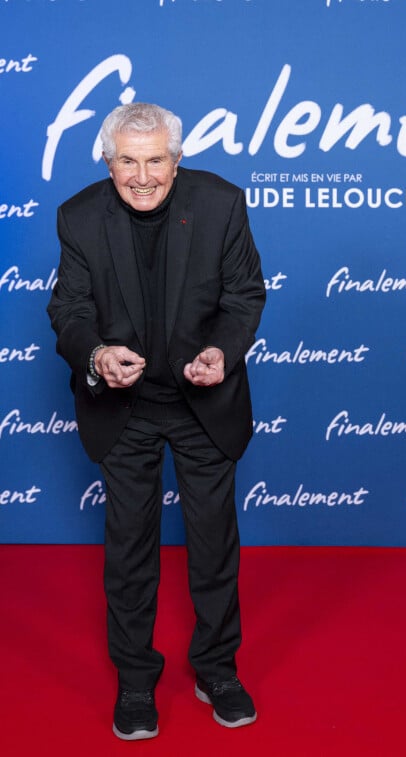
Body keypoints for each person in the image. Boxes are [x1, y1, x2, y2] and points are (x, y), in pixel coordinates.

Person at [47, 102, 266, 740]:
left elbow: (244, 295)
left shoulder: (222, 204)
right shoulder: (79, 216)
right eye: (127, 161)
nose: (142, 176)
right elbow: (70, 308)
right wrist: (96, 355)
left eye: (155, 160)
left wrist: (221, 353)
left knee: (212, 545)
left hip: (204, 399)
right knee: (130, 551)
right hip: (125, 405)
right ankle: (136, 681)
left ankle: (217, 671)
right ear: (108, 161)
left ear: (176, 159)